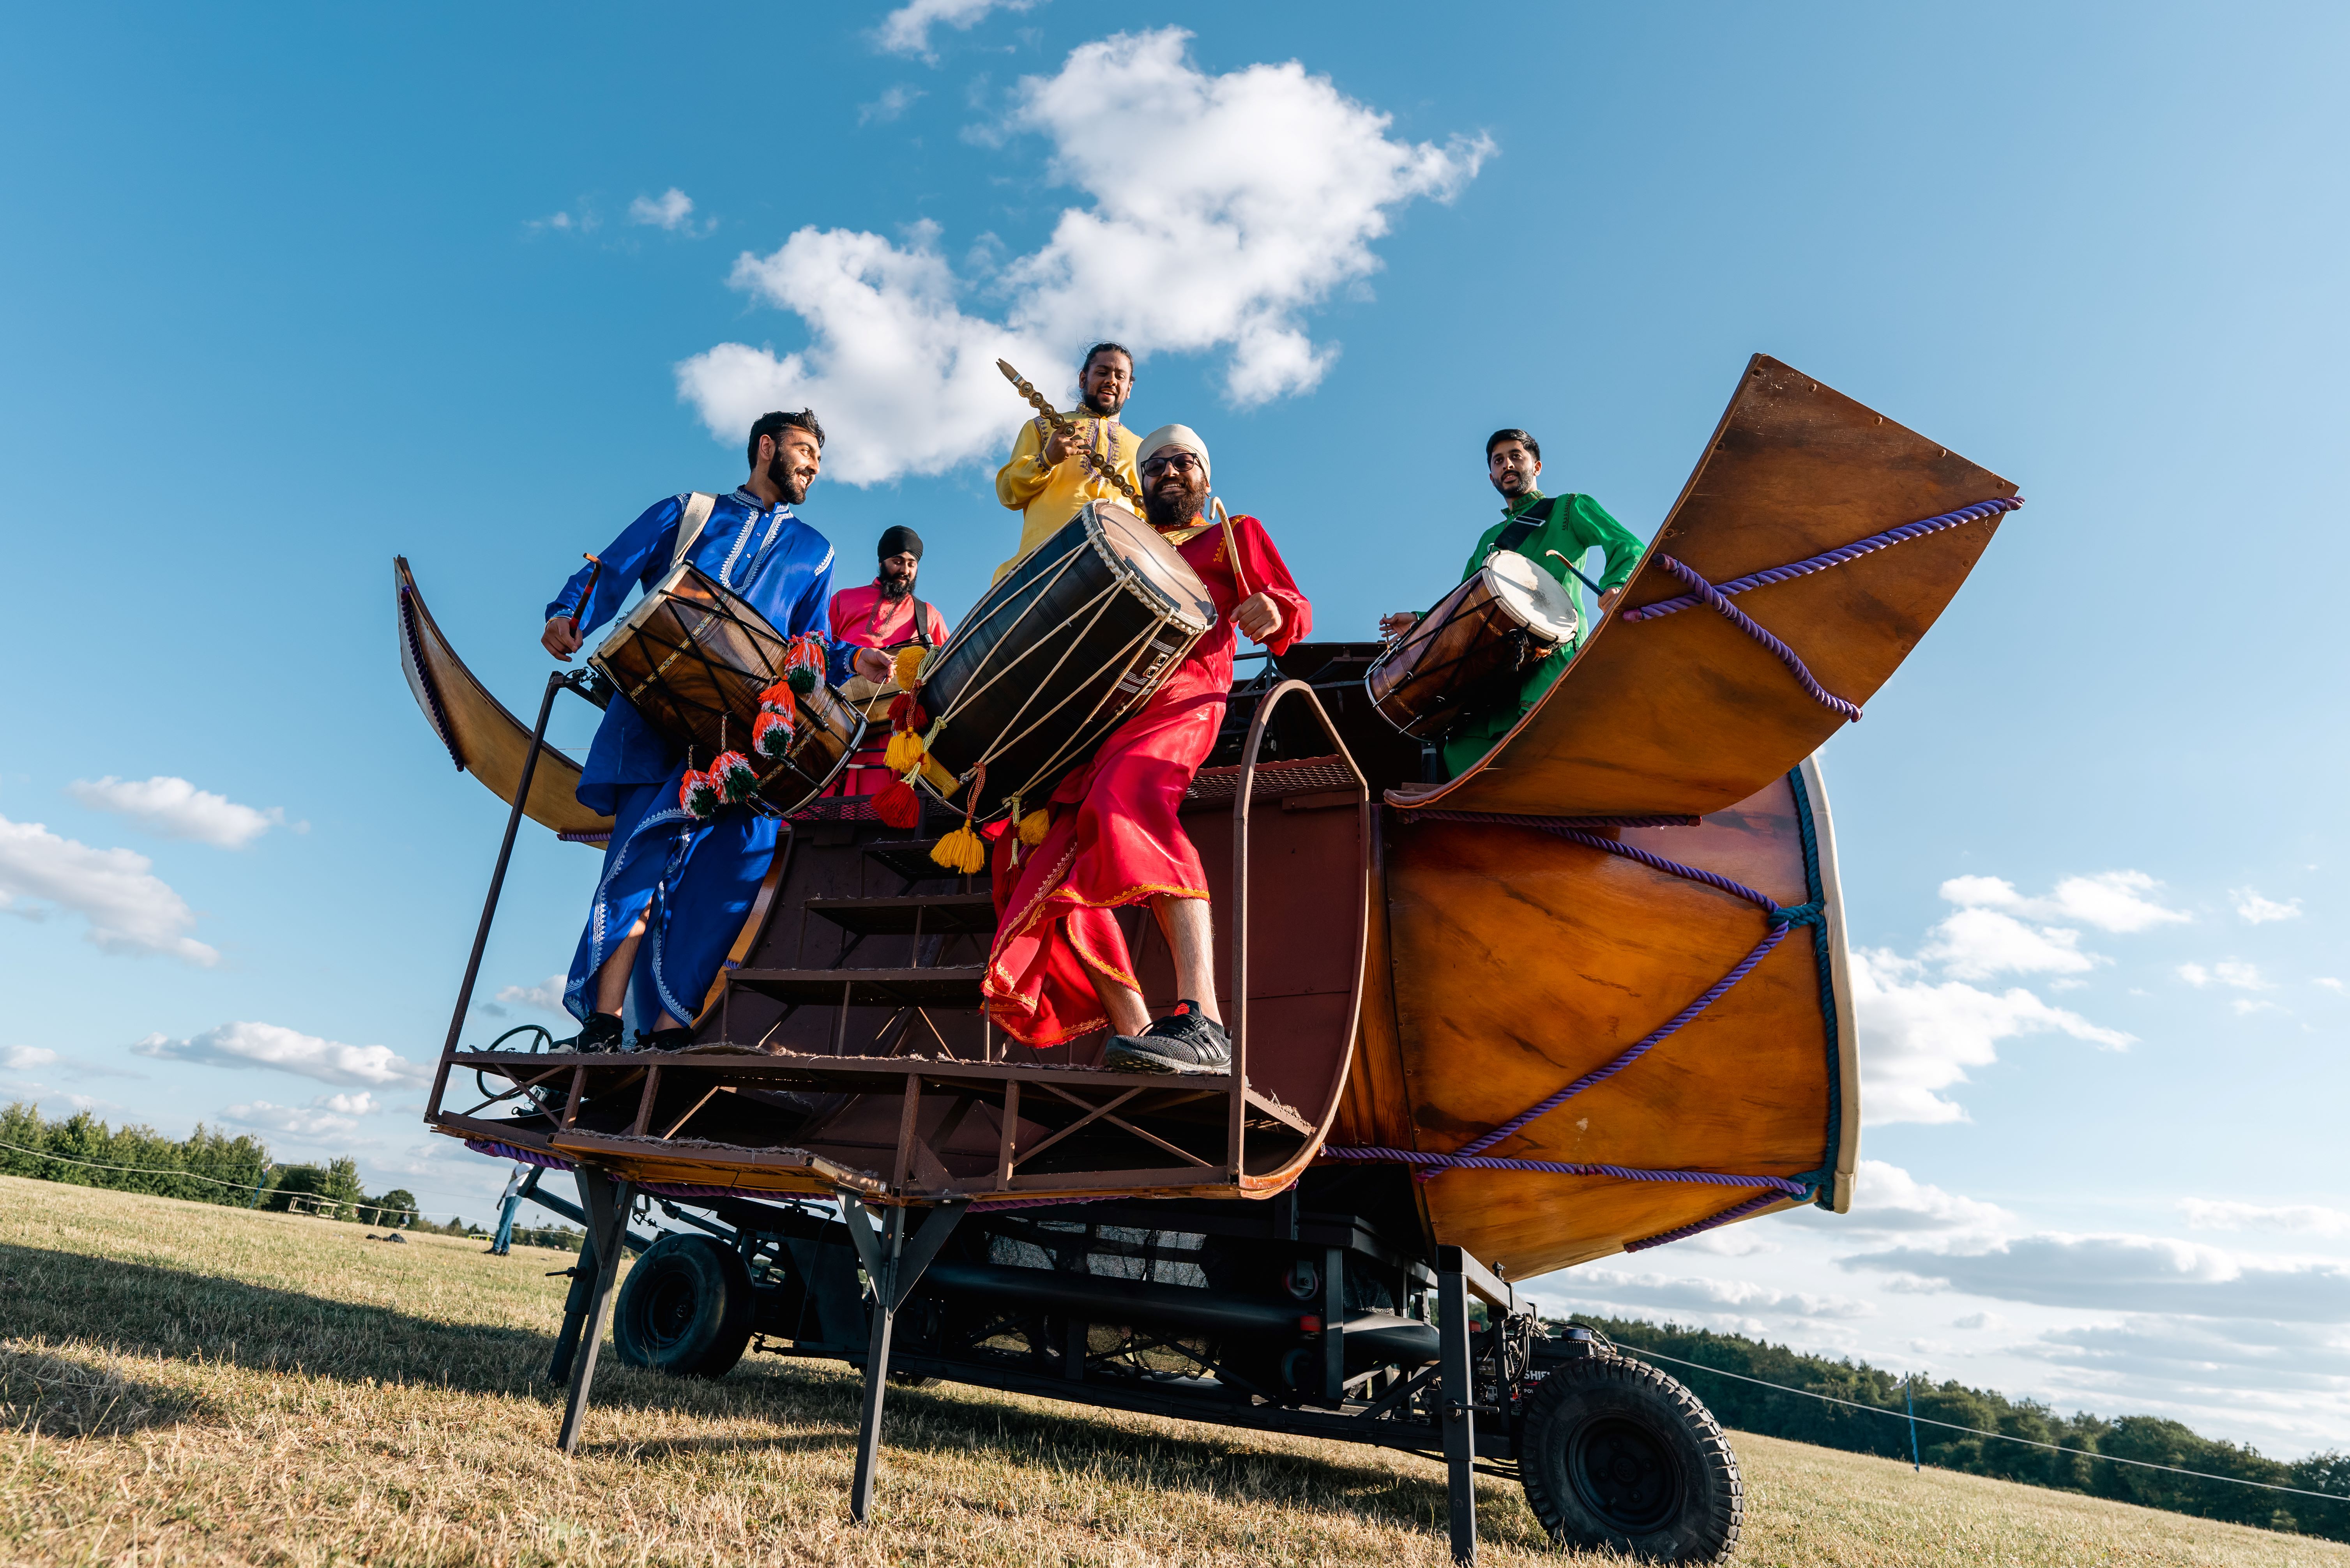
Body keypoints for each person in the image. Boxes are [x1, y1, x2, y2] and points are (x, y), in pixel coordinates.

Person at [983, 423, 1311, 1075]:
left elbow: (1292, 607)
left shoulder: (1234, 532)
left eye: (1184, 461)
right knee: (1037, 856)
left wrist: (1272, 612)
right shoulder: (1121, 541)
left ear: (1206, 477)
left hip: (1185, 698)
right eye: (1156, 464)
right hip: (1103, 717)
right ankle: (1139, 1034)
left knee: (1123, 800)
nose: (1169, 471)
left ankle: (1206, 1022)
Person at [541, 410, 838, 1051]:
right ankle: (605, 1020)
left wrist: (847, 661)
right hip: (657, 716)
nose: (814, 464)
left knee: (724, 877)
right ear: (766, 447)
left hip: (743, 739)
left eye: (820, 456)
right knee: (636, 866)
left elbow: (812, 640)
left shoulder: (817, 550)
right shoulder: (692, 510)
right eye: (806, 449)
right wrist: (571, 612)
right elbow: (617, 565)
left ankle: (670, 1029)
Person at [1378, 428, 1646, 779]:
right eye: (1499, 460)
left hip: (1554, 650)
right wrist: (1419, 621)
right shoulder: (1489, 541)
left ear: (1536, 465)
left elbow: (1628, 546)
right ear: (1491, 476)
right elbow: (1463, 607)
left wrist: (1616, 586)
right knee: (1460, 746)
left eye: (1516, 456)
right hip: (1497, 663)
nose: (1507, 464)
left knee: (1537, 735)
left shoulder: (1569, 507)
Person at [992, 342, 1142, 581]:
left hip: (1120, 568)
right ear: (1083, 379)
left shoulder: (1143, 450)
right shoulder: (1041, 427)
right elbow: (1008, 493)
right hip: (1045, 561)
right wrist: (1046, 459)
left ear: (1129, 387)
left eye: (1120, 376)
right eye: (1102, 373)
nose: (1111, 381)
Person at [825, 525, 951, 797]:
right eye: (898, 561)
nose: (905, 570)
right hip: (836, 731)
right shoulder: (843, 601)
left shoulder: (929, 616)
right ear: (882, 562)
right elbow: (818, 650)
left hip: (895, 744)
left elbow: (950, 673)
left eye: (912, 563)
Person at [487, 1164, 527, 1255]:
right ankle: (505, 1250)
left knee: (504, 1223)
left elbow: (532, 1173)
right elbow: (510, 1183)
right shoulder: (517, 1167)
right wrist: (502, 1199)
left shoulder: (526, 1166)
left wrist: (523, 1187)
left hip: (514, 1196)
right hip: (509, 1196)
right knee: (507, 1224)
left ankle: (496, 1248)